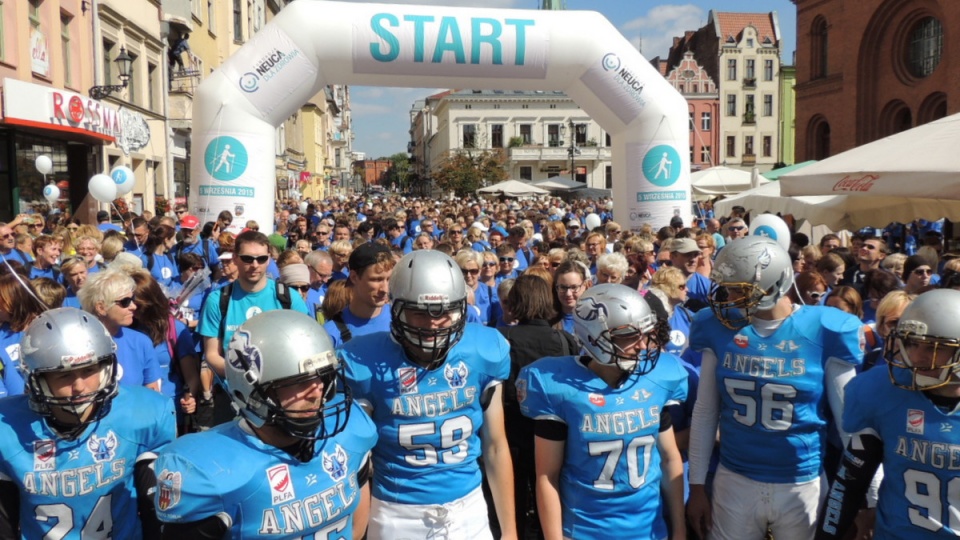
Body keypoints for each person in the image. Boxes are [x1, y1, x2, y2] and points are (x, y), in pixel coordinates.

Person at [687, 236, 864, 540]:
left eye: (737, 290)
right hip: (735, 477)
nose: (727, 298)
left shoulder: (824, 327)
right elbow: (705, 412)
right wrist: (697, 485)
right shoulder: (717, 326)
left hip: (801, 481)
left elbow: (851, 422)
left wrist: (866, 497)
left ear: (771, 285)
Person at [340, 250, 518, 539]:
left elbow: (496, 446)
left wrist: (509, 531)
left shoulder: (482, 349)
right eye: (420, 312)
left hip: (469, 509)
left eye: (446, 311)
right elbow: (354, 463)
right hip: (398, 513)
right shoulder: (363, 361)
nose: (434, 323)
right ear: (396, 307)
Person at [154, 311, 377, 537]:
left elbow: (357, 525)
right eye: (300, 382)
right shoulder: (210, 470)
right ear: (252, 393)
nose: (317, 391)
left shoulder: (349, 433)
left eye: (324, 377)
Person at [517, 284, 687, 539]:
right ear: (594, 336)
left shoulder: (659, 377)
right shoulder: (559, 386)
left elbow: (669, 457)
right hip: (585, 530)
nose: (642, 345)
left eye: (645, 333)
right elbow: (547, 476)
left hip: (649, 529)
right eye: (630, 334)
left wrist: (679, 528)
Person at [0, 307, 175, 538]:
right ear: (36, 378)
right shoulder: (8, 428)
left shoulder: (143, 412)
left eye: (90, 370)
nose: (80, 386)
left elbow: (157, 515)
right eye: (64, 375)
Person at [817, 289, 960, 539]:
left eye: (932, 347)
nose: (916, 357)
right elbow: (848, 483)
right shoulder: (882, 390)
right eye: (912, 343)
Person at [497, 274, 578, 538]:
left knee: (512, 508)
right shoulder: (566, 341)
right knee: (553, 503)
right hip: (556, 437)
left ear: (517, 301)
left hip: (512, 437)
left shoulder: (502, 338)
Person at [198, 230, 309, 378]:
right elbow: (211, 354)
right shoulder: (217, 300)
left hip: (282, 388)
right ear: (235, 258)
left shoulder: (289, 297)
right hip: (234, 391)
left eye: (261, 258)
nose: (255, 265)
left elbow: (305, 345)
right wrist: (247, 378)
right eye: (247, 259)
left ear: (269, 259)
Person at [79, 269, 164, 391]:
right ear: (101, 307)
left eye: (132, 299)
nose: (133, 306)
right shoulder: (78, 344)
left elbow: (152, 393)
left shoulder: (141, 342)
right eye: (125, 302)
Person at [321, 242, 394, 347]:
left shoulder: (402, 321)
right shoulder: (331, 334)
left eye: (389, 279)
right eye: (376, 280)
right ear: (354, 277)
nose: (385, 289)